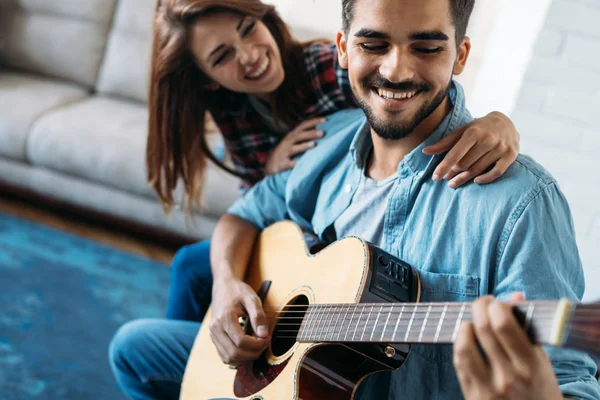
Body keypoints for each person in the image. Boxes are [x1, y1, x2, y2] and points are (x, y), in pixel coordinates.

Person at [110, 0, 600, 398]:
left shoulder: (521, 204)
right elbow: (246, 212)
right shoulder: (327, 143)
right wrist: (224, 288)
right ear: (343, 48)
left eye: (427, 47)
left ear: (461, 55)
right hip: (288, 380)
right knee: (132, 347)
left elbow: (573, 385)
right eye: (374, 44)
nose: (396, 69)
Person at [150, 0, 521, 323]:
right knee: (191, 267)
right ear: (209, 81)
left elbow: (416, 104)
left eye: (248, 30)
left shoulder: (330, 69)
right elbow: (257, 204)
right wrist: (271, 169)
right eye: (222, 56)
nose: (248, 55)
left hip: (346, 234)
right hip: (289, 237)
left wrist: (497, 123)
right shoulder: (234, 114)